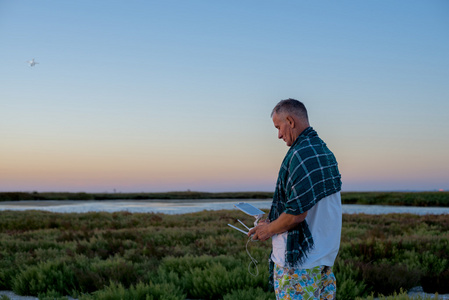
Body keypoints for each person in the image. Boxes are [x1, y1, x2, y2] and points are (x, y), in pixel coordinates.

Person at [248, 98, 342, 300]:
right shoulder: (324, 152)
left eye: (278, 127)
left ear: (290, 121)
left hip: (298, 265)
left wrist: (268, 230)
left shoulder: (300, 154)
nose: (279, 135)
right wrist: (271, 222)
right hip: (323, 259)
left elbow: (296, 213)